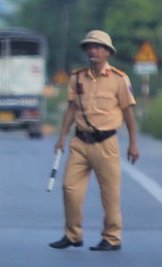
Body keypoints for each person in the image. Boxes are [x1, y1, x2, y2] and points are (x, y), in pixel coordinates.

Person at [49, 29, 139, 252]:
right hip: (80, 142)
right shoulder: (77, 77)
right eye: (89, 47)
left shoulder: (119, 79)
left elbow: (128, 114)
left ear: (108, 52)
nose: (92, 51)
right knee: (70, 188)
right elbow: (71, 109)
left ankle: (112, 237)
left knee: (109, 192)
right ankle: (73, 234)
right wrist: (61, 137)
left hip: (106, 143)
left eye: (97, 47)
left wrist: (133, 144)